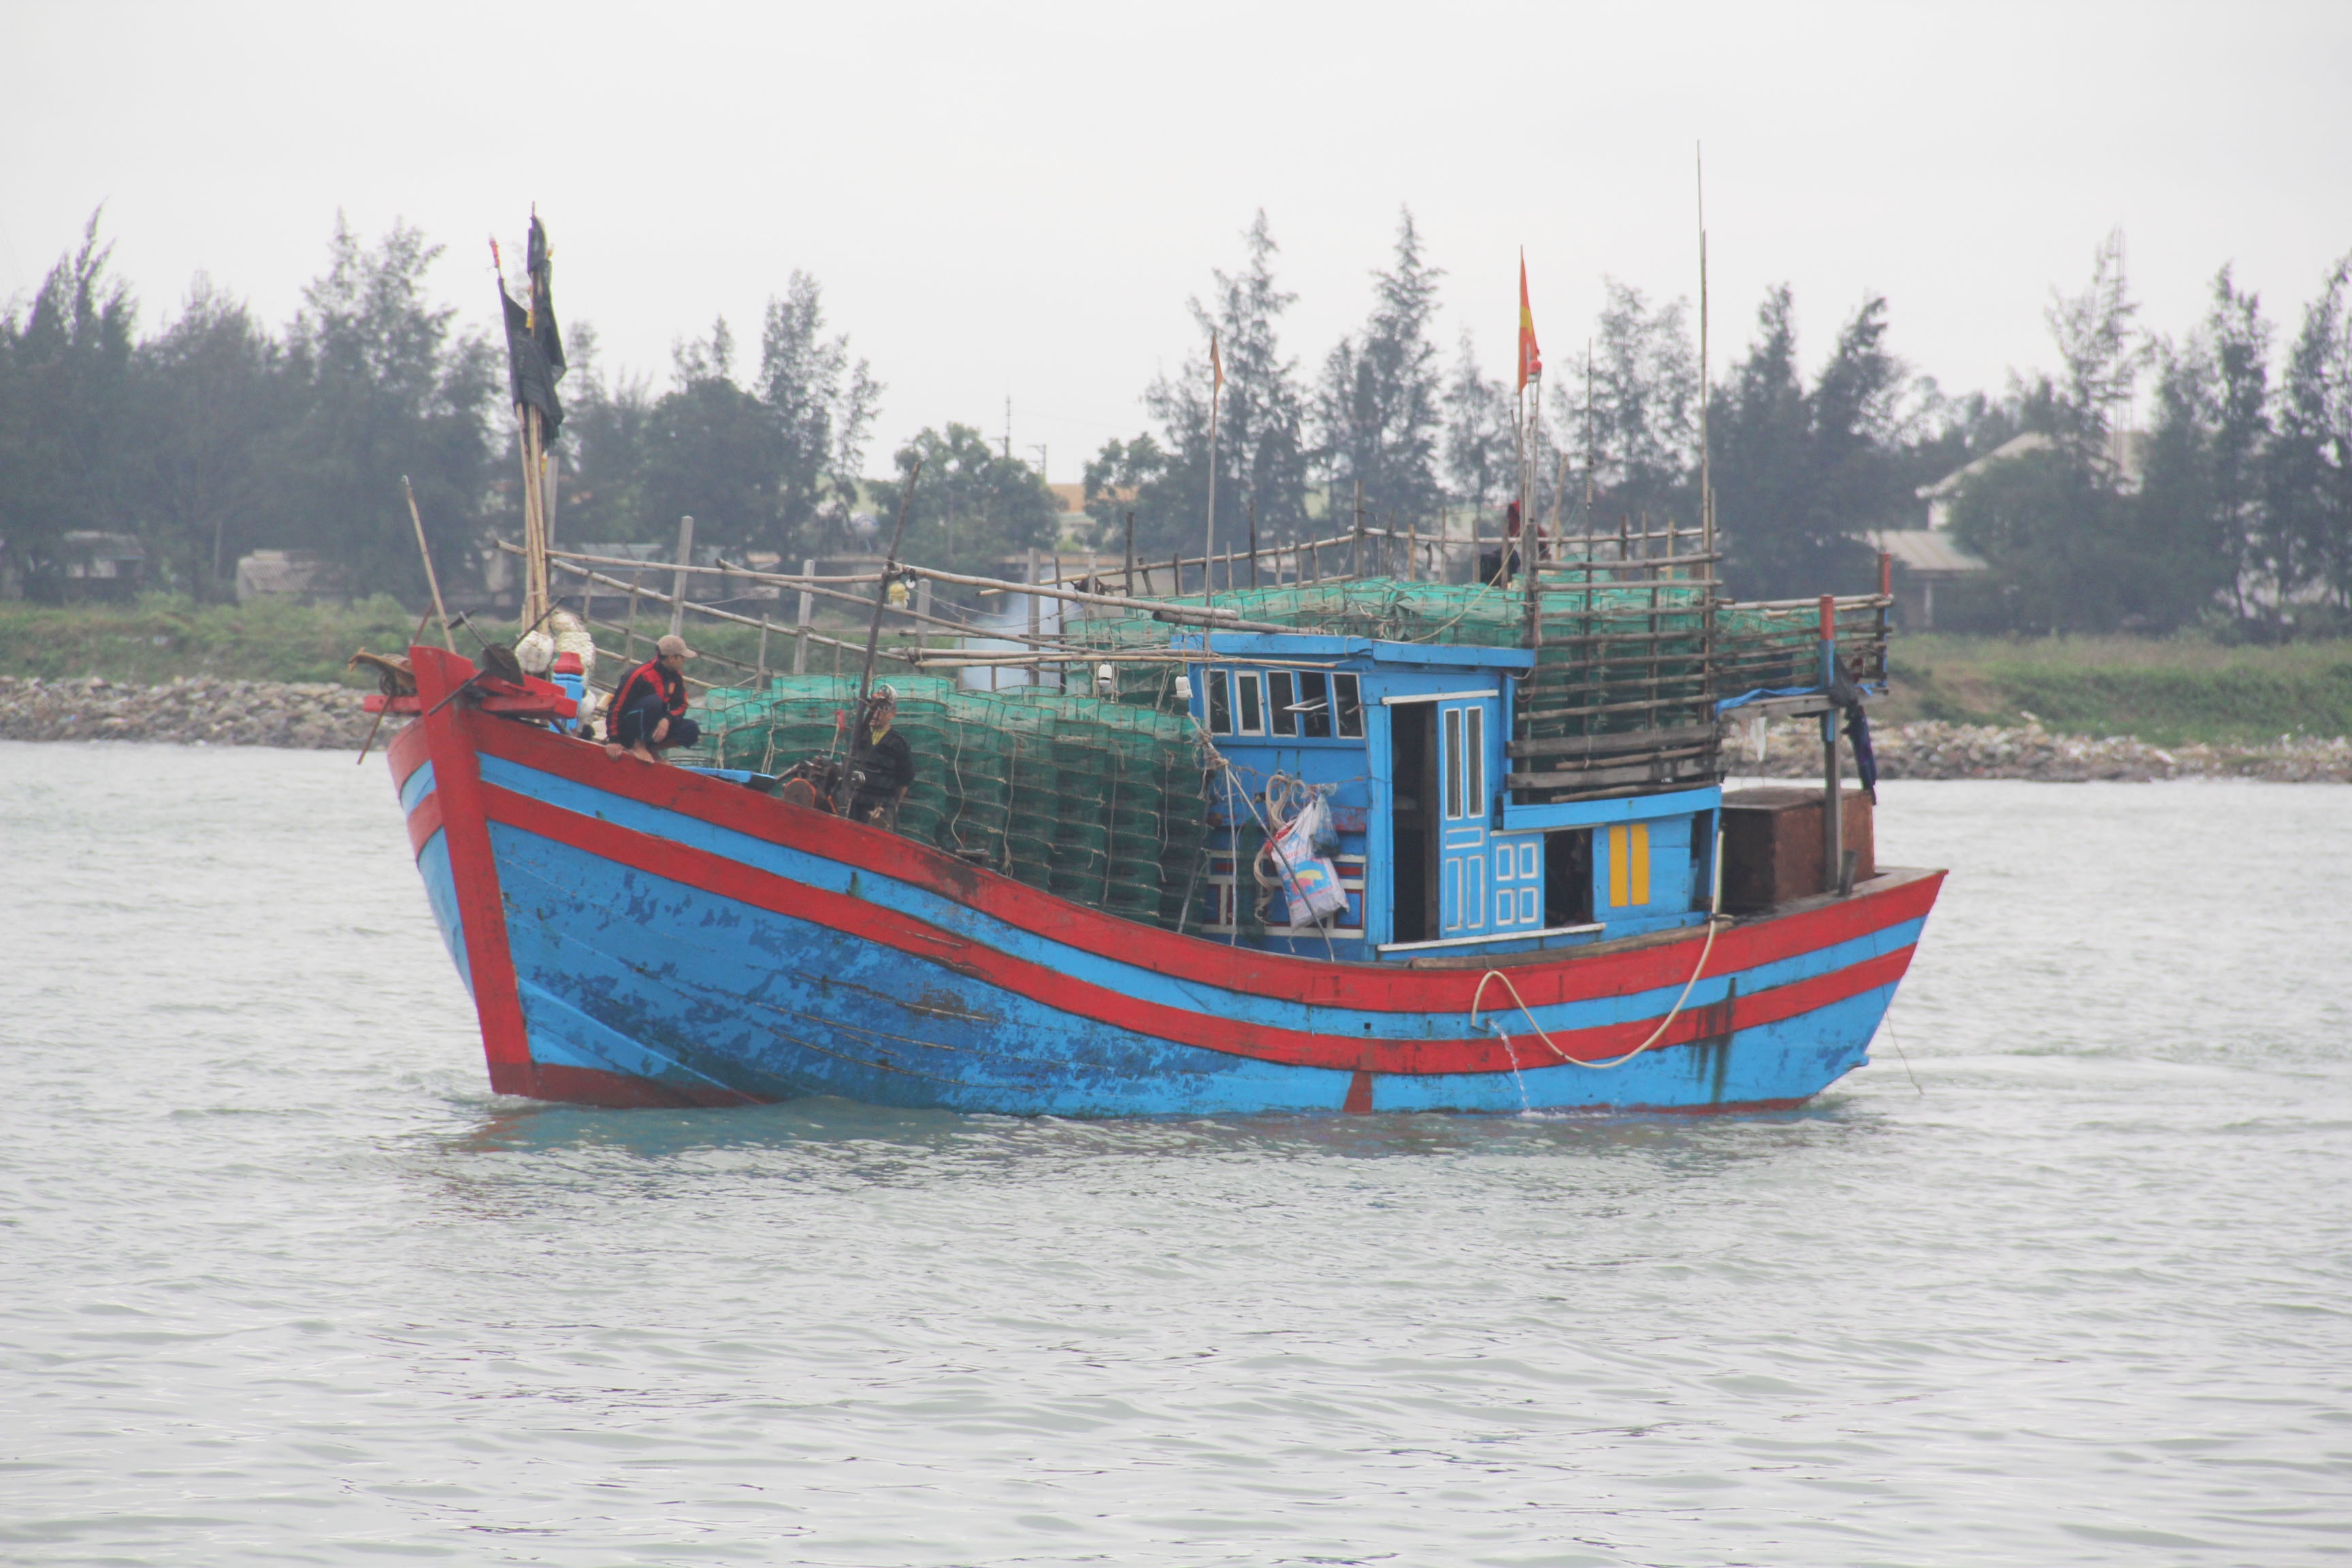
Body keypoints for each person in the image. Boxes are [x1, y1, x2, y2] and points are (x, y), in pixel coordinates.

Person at [605, 634, 701, 762]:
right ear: (672, 658)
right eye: (682, 657)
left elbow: (681, 705)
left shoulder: (676, 677)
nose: (684, 661)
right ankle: (637, 746)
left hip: (653, 727)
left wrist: (667, 720)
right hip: (630, 728)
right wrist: (614, 740)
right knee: (654, 702)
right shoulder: (640, 675)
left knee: (691, 728)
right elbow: (617, 706)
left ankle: (652, 749)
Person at [846, 684, 913, 827]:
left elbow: (905, 780)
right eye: (874, 710)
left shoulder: (898, 744)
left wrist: (893, 806)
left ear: (892, 714)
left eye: (881, 711)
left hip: (881, 808)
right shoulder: (860, 735)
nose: (876, 715)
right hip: (855, 804)